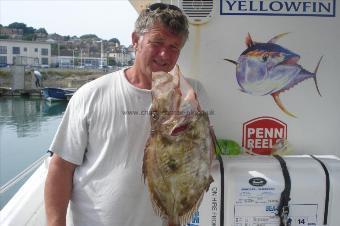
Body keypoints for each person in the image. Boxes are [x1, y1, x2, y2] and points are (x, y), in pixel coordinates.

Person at [44, 3, 212, 226]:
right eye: (157, 42)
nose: (165, 54)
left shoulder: (193, 92)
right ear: (135, 40)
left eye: (174, 47)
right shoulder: (91, 94)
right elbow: (61, 166)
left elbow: (202, 158)